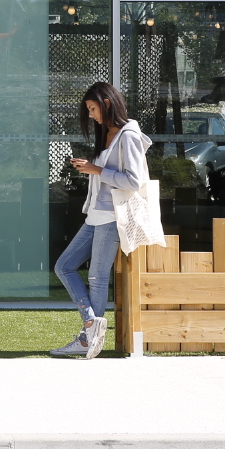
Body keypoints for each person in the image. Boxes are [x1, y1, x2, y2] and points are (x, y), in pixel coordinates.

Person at [51, 81, 149, 360]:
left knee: (96, 276)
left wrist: (95, 169)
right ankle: (91, 324)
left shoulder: (128, 135)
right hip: (96, 214)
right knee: (64, 266)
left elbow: (133, 181)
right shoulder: (109, 134)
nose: (91, 115)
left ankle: (87, 337)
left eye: (93, 109)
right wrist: (92, 169)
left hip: (112, 216)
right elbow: (108, 173)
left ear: (107, 103)